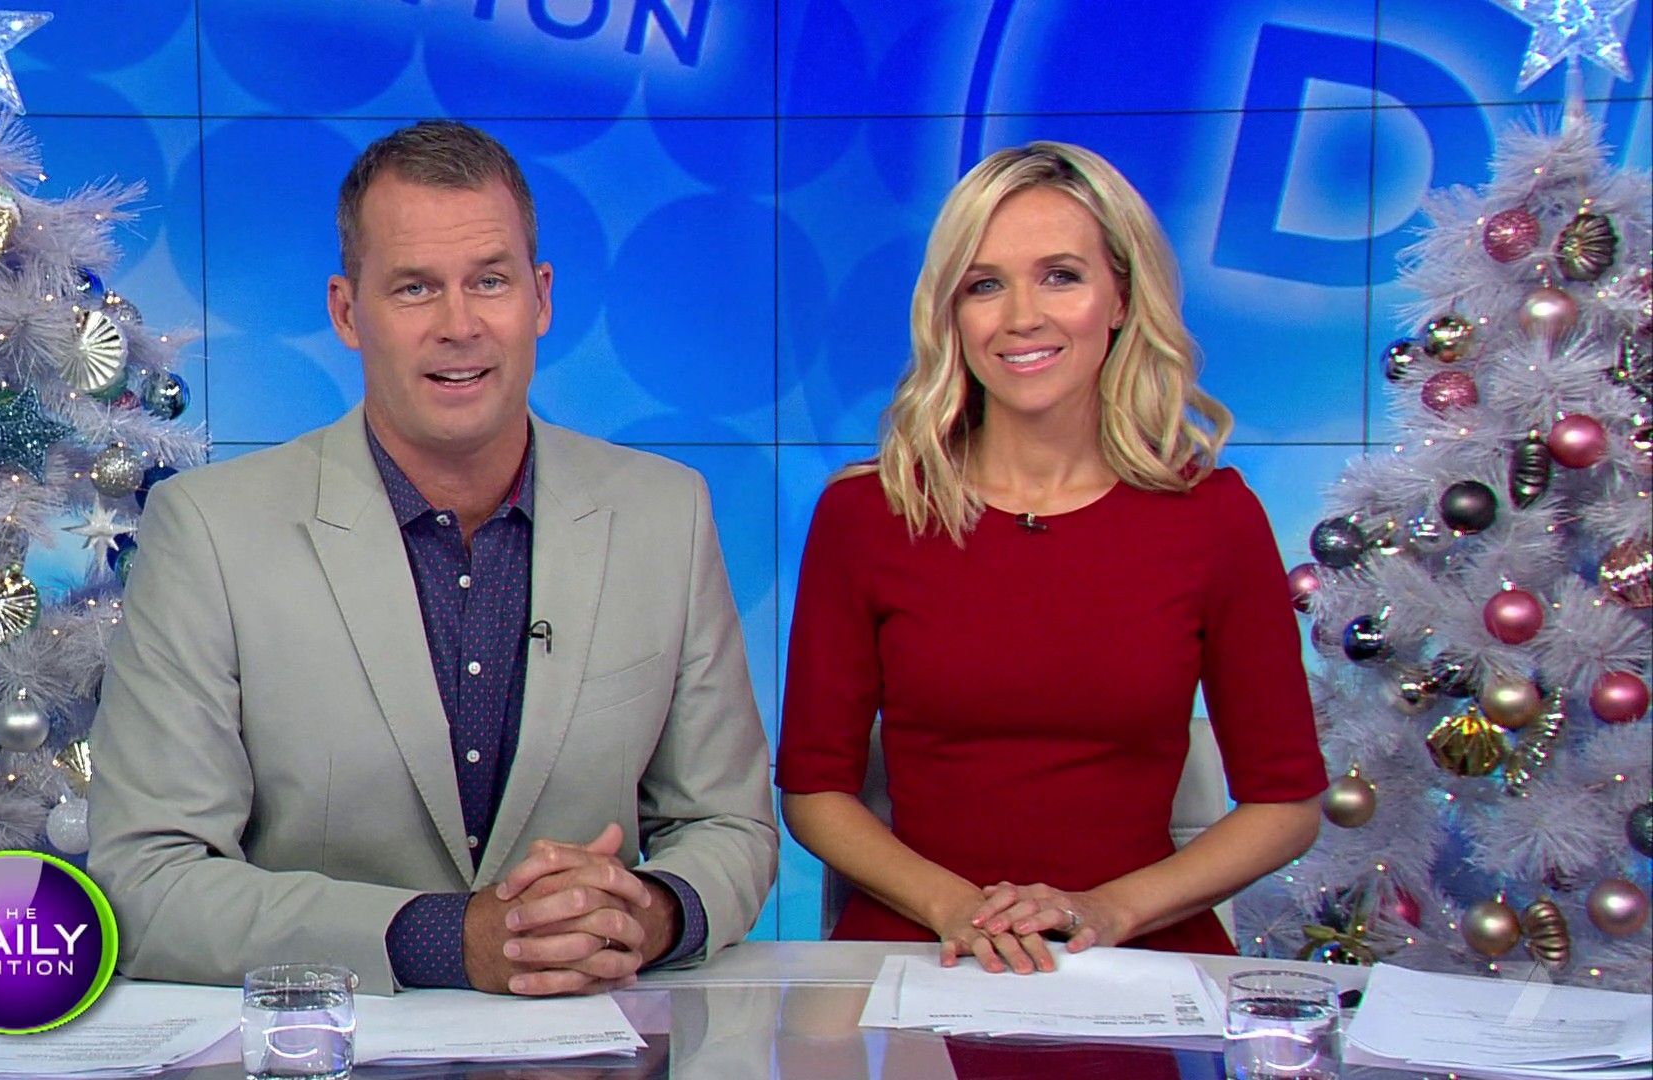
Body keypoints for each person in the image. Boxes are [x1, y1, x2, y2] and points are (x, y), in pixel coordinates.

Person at [89, 120, 777, 997]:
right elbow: (149, 881)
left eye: (490, 281)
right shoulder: (211, 531)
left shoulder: (664, 514)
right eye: (414, 288)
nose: (460, 326)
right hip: (329, 1043)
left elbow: (729, 826)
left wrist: (647, 912)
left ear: (541, 298)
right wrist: (449, 939)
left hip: (597, 1036)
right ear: (347, 312)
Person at [776, 142, 1326, 975]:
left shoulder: (1214, 517)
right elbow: (815, 794)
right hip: (925, 950)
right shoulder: (869, 514)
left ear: (1121, 298)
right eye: (984, 285)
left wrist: (1105, 909)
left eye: (1061, 276)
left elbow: (1285, 805)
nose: (1021, 317)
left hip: (1136, 952)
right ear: (951, 313)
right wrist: (958, 910)